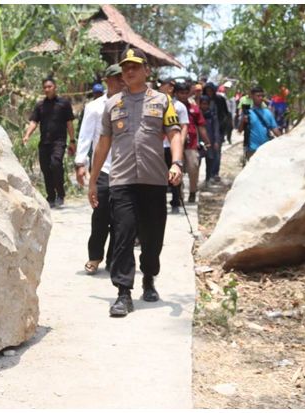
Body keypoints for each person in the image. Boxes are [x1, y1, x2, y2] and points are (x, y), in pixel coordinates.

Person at [88, 47, 183, 317]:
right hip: (121, 180)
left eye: (134, 66)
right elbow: (103, 143)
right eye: (125, 67)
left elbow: (174, 134)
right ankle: (123, 293)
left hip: (154, 180)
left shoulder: (163, 101)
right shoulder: (112, 104)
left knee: (153, 238)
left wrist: (176, 163)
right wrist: (93, 181)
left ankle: (149, 277)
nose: (129, 71)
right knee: (123, 234)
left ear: (146, 70)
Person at [74, 64, 124, 275]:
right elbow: (85, 136)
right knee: (100, 214)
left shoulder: (131, 104)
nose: (122, 81)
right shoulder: (94, 107)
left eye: (123, 77)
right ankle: (94, 256)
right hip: (102, 167)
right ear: (107, 80)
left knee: (120, 218)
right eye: (117, 78)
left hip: (125, 169)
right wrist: (80, 164)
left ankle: (114, 259)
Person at [23, 77, 76, 208]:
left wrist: (72, 140)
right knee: (46, 169)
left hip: (59, 141)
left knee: (56, 164)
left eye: (49, 86)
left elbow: (69, 123)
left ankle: (61, 194)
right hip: (44, 142)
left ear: (55, 87)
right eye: (45, 87)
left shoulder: (64, 104)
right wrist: (27, 135)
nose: (47, 89)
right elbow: (34, 121)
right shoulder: (40, 105)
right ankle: (51, 197)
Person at [175, 82, 211, 203]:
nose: (184, 96)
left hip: (191, 144)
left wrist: (207, 141)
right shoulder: (171, 107)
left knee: (193, 168)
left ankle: (192, 191)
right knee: (177, 169)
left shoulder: (194, 109)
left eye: (186, 93)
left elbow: (201, 126)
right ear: (176, 93)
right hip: (175, 143)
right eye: (181, 93)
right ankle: (178, 194)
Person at [157, 78, 189, 213]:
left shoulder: (179, 106)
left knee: (175, 175)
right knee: (160, 176)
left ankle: (176, 201)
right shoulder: (155, 104)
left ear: (170, 88)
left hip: (173, 147)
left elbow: (184, 126)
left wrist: (179, 146)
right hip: (159, 147)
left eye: (162, 85)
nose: (159, 87)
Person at [238, 85, 282, 160]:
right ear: (252, 96)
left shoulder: (268, 113)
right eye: (258, 96)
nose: (261, 98)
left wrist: (283, 140)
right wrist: (243, 120)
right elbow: (240, 130)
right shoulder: (248, 113)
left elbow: (275, 130)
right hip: (252, 150)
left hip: (266, 149)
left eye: (262, 96)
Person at [200, 95, 222, 183]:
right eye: (202, 104)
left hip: (210, 140)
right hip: (199, 141)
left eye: (206, 104)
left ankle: (208, 179)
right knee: (197, 162)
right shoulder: (197, 114)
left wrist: (216, 141)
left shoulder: (212, 116)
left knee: (209, 161)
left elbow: (216, 129)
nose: (204, 106)